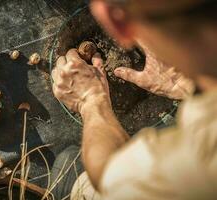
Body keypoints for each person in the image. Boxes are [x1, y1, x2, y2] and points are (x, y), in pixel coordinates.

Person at [51, 0, 217, 199]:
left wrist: (91, 100)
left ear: (116, 20)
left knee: (68, 165)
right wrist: (186, 86)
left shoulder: (197, 160)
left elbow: (112, 175)